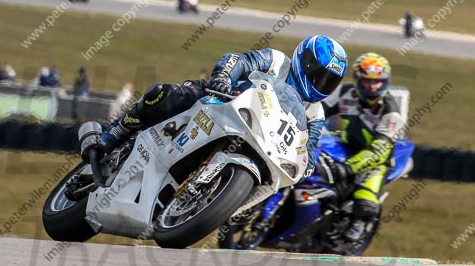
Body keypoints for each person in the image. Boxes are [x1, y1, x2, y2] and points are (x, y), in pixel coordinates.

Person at [83, 35, 349, 175]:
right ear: (305, 60)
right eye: (318, 74)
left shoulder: (316, 114)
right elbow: (238, 60)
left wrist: (307, 166)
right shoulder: (277, 61)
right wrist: (222, 77)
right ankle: (112, 135)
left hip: (257, 143)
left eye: (329, 81)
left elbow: (308, 151)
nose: (320, 83)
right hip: (218, 101)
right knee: (163, 95)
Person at [319, 52, 405, 249]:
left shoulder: (391, 111)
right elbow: (320, 110)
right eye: (366, 81)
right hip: (346, 145)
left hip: (376, 160)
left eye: (377, 82)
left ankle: (360, 225)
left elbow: (379, 150)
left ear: (386, 82)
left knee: (365, 201)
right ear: (358, 79)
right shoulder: (345, 92)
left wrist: (348, 168)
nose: (372, 86)